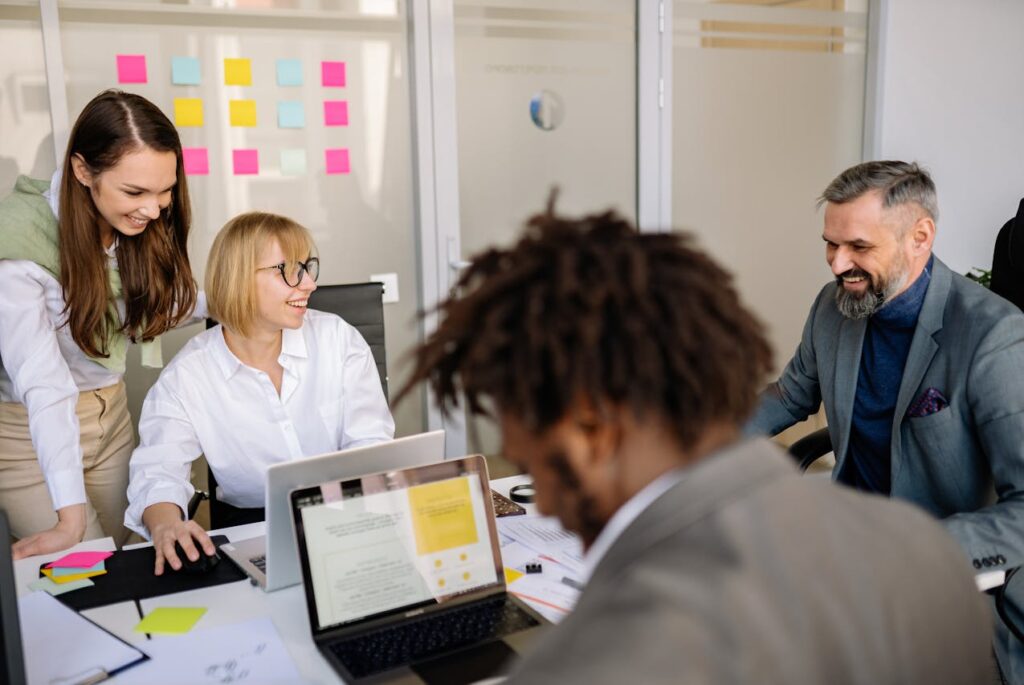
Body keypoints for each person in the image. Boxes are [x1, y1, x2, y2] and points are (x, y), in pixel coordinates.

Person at [396, 199, 993, 684]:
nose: (542, 503)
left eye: (533, 464)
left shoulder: (599, 660)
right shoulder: (923, 548)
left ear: (590, 430)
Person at [746, 161, 1024, 679]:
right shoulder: (835, 307)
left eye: (858, 247)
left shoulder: (994, 338)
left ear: (920, 237)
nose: (836, 264)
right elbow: (788, 394)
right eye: (830, 244)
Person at [125, 211, 395, 574]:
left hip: (348, 514)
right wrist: (165, 523)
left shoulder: (337, 339)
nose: (309, 284)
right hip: (255, 530)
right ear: (238, 280)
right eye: (287, 270)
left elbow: (371, 443)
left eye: (307, 266)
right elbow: (158, 471)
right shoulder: (190, 375)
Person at [0, 90, 199, 559]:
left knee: (127, 557)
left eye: (164, 191)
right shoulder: (19, 245)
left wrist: (237, 302)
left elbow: (152, 306)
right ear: (82, 171)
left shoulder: (128, 227)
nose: (153, 210)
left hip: (112, 420)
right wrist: (67, 520)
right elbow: (45, 385)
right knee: (90, 568)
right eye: (135, 192)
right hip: (31, 434)